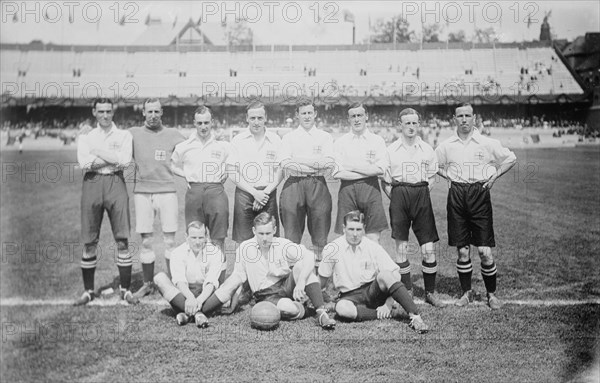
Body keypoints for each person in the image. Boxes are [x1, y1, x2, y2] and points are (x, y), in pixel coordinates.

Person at [436, 103, 517, 309]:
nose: (464, 119)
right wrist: (448, 177)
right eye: (460, 116)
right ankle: (466, 293)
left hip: (479, 194)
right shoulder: (447, 145)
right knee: (463, 251)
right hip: (457, 195)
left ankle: (491, 294)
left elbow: (511, 158)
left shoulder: (487, 142)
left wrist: (494, 177)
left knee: (484, 251)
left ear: (474, 118)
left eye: (467, 115)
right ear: (454, 119)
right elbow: (431, 164)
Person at [195, 212, 336, 329]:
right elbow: (237, 278)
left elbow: (310, 256)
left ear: (274, 230)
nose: (264, 238)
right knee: (289, 308)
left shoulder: (282, 244)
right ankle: (199, 311)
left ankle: (321, 312)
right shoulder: (245, 248)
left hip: (285, 283)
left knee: (302, 265)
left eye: (268, 233)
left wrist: (301, 283)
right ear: (254, 231)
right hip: (267, 294)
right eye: (260, 233)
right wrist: (234, 304)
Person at [318, 211, 429, 333]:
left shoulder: (372, 246)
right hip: (349, 296)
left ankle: (416, 317)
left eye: (359, 229)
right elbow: (322, 280)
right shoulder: (332, 249)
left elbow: (395, 273)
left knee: (386, 274)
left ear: (364, 228)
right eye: (351, 229)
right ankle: (388, 313)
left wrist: (388, 302)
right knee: (342, 309)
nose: (355, 234)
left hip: (372, 291)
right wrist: (317, 300)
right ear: (344, 228)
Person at [74, 98, 136, 306]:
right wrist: (112, 157)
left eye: (108, 111)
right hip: (92, 183)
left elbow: (125, 161)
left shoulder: (123, 135)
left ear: (113, 112)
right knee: (90, 240)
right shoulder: (86, 136)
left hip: (115, 182)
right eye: (101, 112)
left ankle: (125, 290)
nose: (105, 115)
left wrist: (98, 152)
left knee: (122, 239)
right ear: (94, 112)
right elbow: (85, 163)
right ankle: (88, 291)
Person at [381, 108, 446, 308]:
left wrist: (422, 194)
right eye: (407, 123)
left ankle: (430, 292)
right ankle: (407, 290)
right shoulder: (390, 150)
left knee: (428, 248)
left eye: (414, 123)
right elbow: (385, 181)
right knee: (401, 248)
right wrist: (397, 197)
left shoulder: (427, 149)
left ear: (419, 124)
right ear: (400, 125)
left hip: (421, 195)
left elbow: (432, 177)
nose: (411, 127)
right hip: (399, 194)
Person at [129, 98, 186, 299]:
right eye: (149, 111)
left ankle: (172, 283)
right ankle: (147, 284)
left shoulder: (173, 135)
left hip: (167, 191)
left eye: (156, 111)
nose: (153, 115)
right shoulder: (133, 134)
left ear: (162, 113)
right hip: (142, 192)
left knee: (170, 240)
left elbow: (193, 148)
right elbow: (114, 142)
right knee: (146, 241)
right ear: (143, 113)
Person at [171, 106, 231, 269]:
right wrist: (185, 175)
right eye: (199, 123)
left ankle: (219, 283)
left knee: (218, 238)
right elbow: (172, 165)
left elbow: (232, 164)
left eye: (206, 122)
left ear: (212, 122)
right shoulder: (184, 146)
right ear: (194, 123)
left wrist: (224, 174)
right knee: (195, 238)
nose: (203, 127)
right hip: (194, 192)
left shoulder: (223, 146)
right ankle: (197, 280)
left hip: (215, 191)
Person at [278, 98, 335, 262]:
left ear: (315, 114)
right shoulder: (289, 137)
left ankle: (318, 277)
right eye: (303, 113)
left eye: (310, 113)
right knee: (291, 236)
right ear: (297, 115)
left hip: (318, 185)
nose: (307, 116)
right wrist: (314, 164)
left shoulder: (324, 137)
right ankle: (293, 275)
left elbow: (328, 163)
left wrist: (299, 161)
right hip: (294, 184)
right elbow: (286, 163)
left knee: (320, 234)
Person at [228, 100, 283, 244]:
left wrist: (264, 193)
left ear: (266, 118)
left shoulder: (275, 140)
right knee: (244, 242)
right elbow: (232, 172)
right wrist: (254, 193)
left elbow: (280, 171)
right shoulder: (237, 140)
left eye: (260, 118)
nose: (256, 122)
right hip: (244, 193)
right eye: (252, 118)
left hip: (268, 194)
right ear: (247, 118)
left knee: (270, 241)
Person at [333, 103, 388, 243]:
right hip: (347, 189)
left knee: (373, 236)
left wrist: (351, 166)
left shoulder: (377, 140)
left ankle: (371, 265)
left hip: (371, 188)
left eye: (360, 115)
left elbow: (380, 169)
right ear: (348, 119)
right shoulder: (340, 142)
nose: (357, 119)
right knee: (348, 235)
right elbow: (337, 172)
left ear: (366, 117)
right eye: (353, 116)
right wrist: (367, 171)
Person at [153, 221, 223, 327]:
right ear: (186, 237)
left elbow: (211, 283)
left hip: (205, 295)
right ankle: (199, 314)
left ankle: (186, 314)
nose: (197, 242)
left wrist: (199, 300)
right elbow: (179, 281)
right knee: (159, 278)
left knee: (232, 284)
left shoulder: (216, 253)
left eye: (200, 237)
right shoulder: (177, 253)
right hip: (184, 295)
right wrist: (190, 298)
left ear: (206, 237)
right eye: (193, 238)